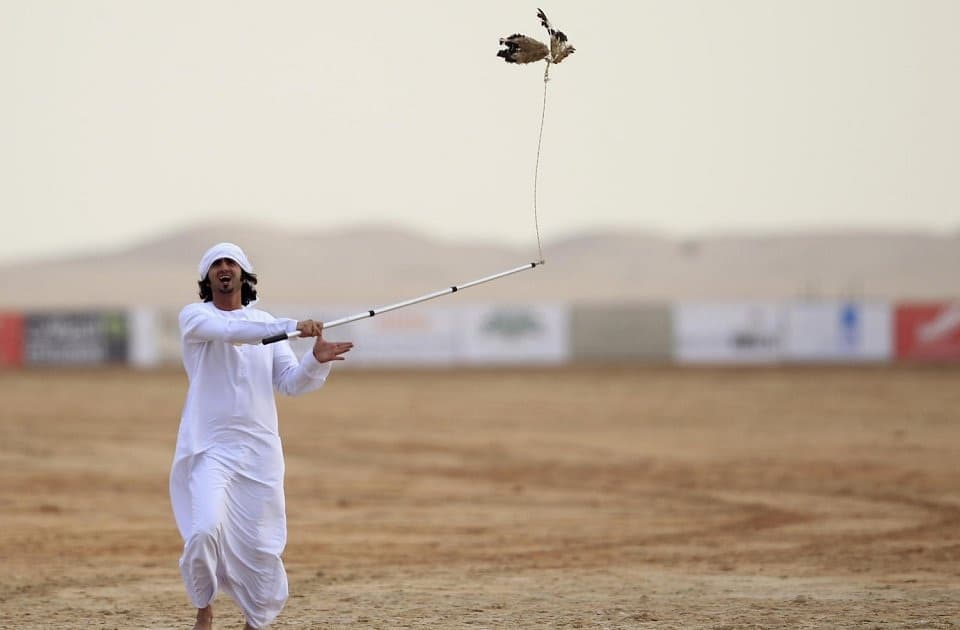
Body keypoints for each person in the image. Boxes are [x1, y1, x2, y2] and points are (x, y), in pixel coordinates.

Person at [170, 242, 353, 630]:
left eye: (231, 263)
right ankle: (204, 605)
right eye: (216, 263)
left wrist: (314, 362)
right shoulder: (195, 318)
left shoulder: (265, 321)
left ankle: (256, 620)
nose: (224, 268)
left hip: (259, 453)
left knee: (261, 547)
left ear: (243, 274)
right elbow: (232, 331)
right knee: (203, 531)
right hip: (209, 449)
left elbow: (290, 383)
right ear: (207, 278)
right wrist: (290, 326)